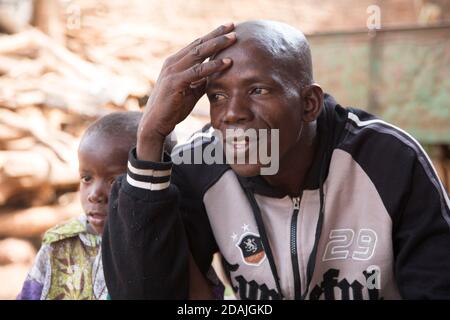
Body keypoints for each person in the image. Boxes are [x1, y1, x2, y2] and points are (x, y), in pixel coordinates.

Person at [102, 21, 450, 300]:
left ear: (309, 104)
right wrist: (149, 136)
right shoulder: (201, 167)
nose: (232, 114)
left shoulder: (390, 161)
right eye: (218, 96)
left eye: (258, 90)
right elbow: (142, 290)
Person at [17, 112, 143, 300]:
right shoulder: (60, 244)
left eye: (114, 181)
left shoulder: (158, 246)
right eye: (87, 178)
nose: (94, 195)